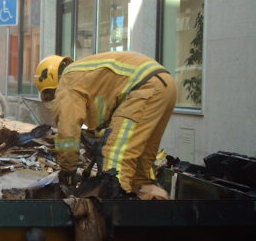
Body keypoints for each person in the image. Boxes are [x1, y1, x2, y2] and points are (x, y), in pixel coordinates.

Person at [34, 52, 177, 199]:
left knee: (115, 165)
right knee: (139, 170)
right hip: (165, 85)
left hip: (144, 88)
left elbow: (67, 134)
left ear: (51, 89)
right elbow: (109, 118)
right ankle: (149, 213)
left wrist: (68, 173)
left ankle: (114, 215)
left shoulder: (67, 83)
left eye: (49, 97)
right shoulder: (86, 75)